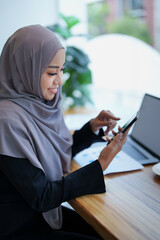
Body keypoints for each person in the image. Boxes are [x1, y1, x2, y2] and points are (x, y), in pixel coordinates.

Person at [0, 25, 129, 240]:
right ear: (25, 70)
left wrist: (90, 129)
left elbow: (53, 152)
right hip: (21, 226)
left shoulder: (37, 105)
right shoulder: (7, 121)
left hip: (40, 214)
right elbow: (42, 195)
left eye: (62, 70)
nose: (59, 81)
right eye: (52, 72)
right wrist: (100, 165)